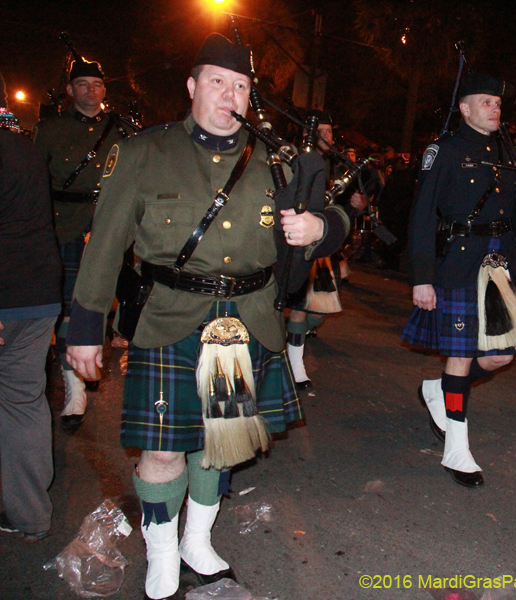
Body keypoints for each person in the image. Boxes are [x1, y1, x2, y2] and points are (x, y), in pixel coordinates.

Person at [65, 34, 349, 600]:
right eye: (218, 82)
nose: (230, 94)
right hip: (171, 317)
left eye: (241, 85)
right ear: (193, 87)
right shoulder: (145, 152)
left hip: (245, 319)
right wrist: (84, 330)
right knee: (165, 447)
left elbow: (335, 213)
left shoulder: (274, 157)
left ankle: (199, 539)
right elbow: (106, 246)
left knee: (222, 440)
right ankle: (163, 551)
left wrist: (323, 229)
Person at [402, 73, 516, 487]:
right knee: (460, 355)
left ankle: (439, 390)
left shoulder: (503, 152)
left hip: (498, 267)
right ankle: (457, 447)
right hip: (458, 264)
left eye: (498, 102)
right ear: (464, 108)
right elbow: (422, 215)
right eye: (486, 102)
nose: (495, 108)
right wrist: (421, 277)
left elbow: (515, 211)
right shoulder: (442, 151)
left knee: (501, 356)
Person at [32, 56, 138, 427]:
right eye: (82, 84)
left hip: (109, 224)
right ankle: (74, 385)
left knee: (108, 303)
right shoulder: (49, 129)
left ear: (104, 90)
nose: (90, 90)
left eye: (96, 84)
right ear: (69, 90)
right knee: (69, 305)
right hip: (64, 226)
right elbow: (36, 184)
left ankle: (91, 357)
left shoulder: (121, 130)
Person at [0, 76, 62, 544]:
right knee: (24, 402)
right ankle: (30, 513)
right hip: (39, 293)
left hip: (8, 297)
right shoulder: (24, 148)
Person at [285, 110, 363, 389]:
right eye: (324, 131)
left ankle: (288, 341)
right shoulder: (291, 157)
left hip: (324, 247)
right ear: (308, 132)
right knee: (300, 308)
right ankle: (295, 365)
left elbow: (338, 211)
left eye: (331, 132)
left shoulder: (335, 165)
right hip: (295, 243)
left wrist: (356, 208)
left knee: (319, 312)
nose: (329, 137)